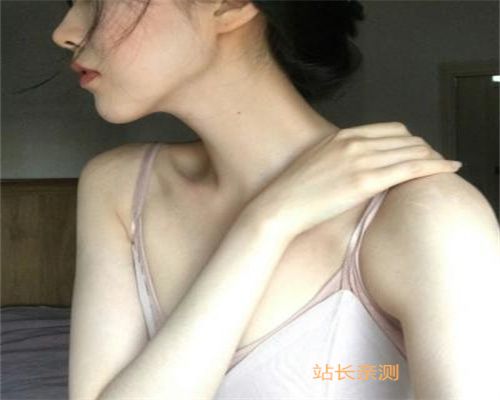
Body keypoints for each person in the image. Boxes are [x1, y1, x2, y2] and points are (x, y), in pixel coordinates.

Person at [52, 1, 500, 399]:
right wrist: (265, 224)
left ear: (228, 5)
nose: (64, 32)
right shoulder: (118, 185)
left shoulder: (429, 216)